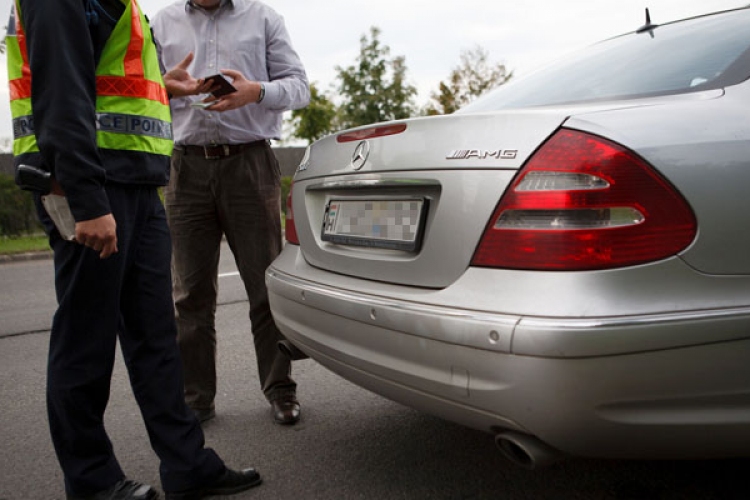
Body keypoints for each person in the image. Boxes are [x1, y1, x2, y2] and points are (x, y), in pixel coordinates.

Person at [6, 0, 263, 498]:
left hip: (137, 184)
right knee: (87, 340)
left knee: (155, 337)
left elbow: (103, 84)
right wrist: (85, 199)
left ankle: (188, 466)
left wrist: (164, 88)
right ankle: (92, 482)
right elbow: (60, 94)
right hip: (94, 186)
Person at [151, 0, 311, 426]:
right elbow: (145, 95)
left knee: (264, 287)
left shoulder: (263, 18)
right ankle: (196, 399)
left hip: (250, 164)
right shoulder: (161, 23)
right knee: (190, 296)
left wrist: (256, 91)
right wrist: (166, 88)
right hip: (185, 169)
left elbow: (300, 87)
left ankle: (279, 388)